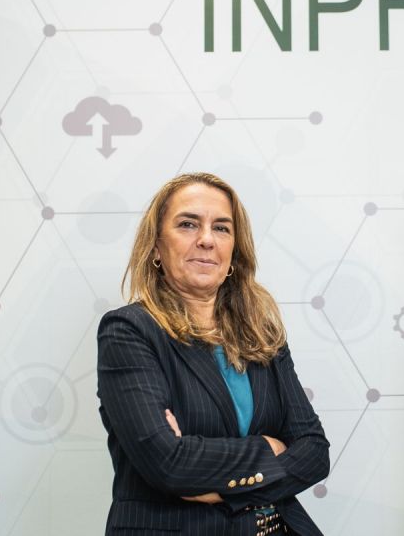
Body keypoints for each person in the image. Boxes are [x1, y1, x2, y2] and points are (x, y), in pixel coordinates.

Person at [97, 172, 329, 535]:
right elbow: (168, 463)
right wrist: (270, 448)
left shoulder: (261, 334)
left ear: (234, 251)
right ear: (156, 247)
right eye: (188, 224)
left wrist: (216, 485)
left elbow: (314, 452)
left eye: (221, 228)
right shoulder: (128, 331)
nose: (206, 239)